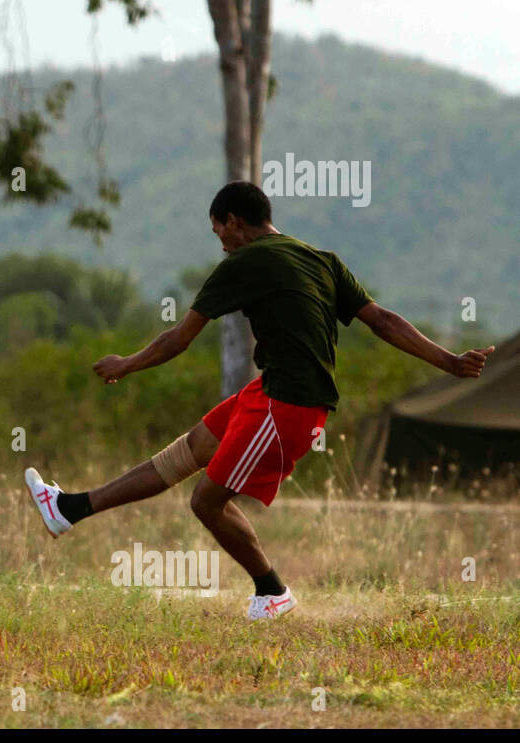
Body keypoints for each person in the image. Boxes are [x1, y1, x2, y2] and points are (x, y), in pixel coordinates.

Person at [25, 181, 494, 619]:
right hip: (271, 391)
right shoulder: (321, 258)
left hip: (289, 405)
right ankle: (69, 509)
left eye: (219, 233)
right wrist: (449, 361)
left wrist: (126, 363)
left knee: (206, 502)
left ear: (233, 221)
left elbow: (179, 339)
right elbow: (385, 320)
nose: (221, 243)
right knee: (189, 451)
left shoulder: (244, 262)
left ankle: (272, 592)